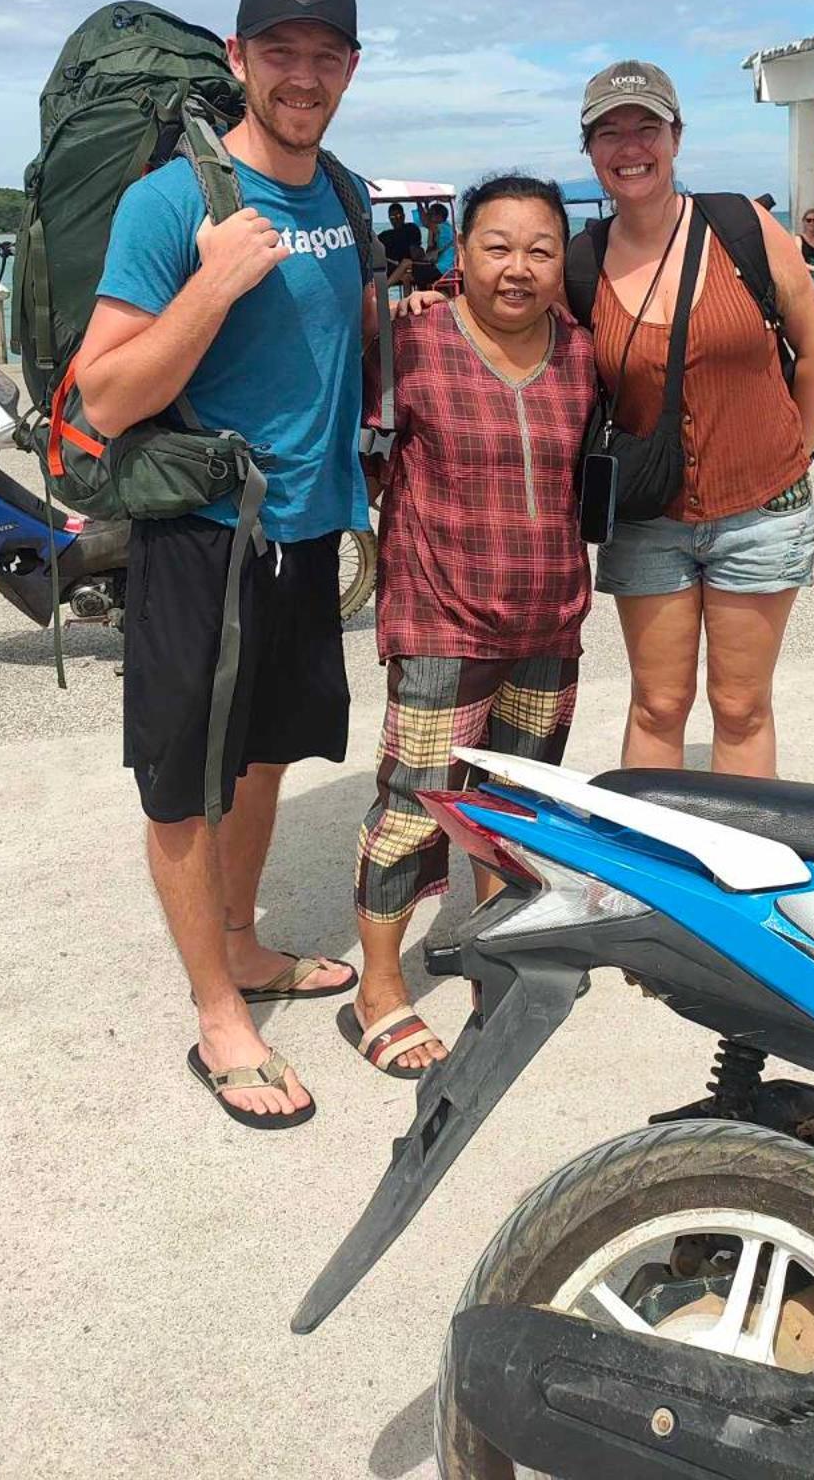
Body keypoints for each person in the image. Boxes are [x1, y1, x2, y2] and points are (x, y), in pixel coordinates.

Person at [77, 0, 371, 1131]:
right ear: (239, 60)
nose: (303, 75)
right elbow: (102, 394)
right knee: (183, 788)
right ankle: (217, 1014)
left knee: (263, 758)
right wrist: (208, 289)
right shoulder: (172, 201)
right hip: (204, 538)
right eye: (280, 52)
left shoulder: (341, 194)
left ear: (351, 68)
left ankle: (242, 943)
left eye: (326, 54)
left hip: (305, 537)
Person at [348, 175, 595, 1076]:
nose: (519, 269)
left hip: (551, 614)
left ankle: (495, 950)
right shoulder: (409, 341)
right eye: (497, 246)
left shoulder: (581, 351)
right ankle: (380, 987)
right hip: (440, 615)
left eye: (539, 249)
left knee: (515, 808)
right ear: (461, 251)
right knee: (415, 804)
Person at [574, 59, 814, 778]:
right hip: (648, 517)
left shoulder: (739, 226)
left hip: (762, 514)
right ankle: (654, 877)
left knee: (742, 707)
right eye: (610, 132)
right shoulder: (581, 261)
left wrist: (792, 460)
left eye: (646, 127)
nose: (631, 147)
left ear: (676, 137)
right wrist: (424, 305)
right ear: (590, 150)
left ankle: (739, 881)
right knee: (657, 706)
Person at [379, 200, 423, 286]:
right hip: (391, 267)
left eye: (398, 216)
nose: (396, 220)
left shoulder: (411, 229)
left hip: (411, 266)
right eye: (392, 218)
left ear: (403, 216)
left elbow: (415, 252)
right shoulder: (385, 235)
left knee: (406, 272)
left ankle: (385, 287)